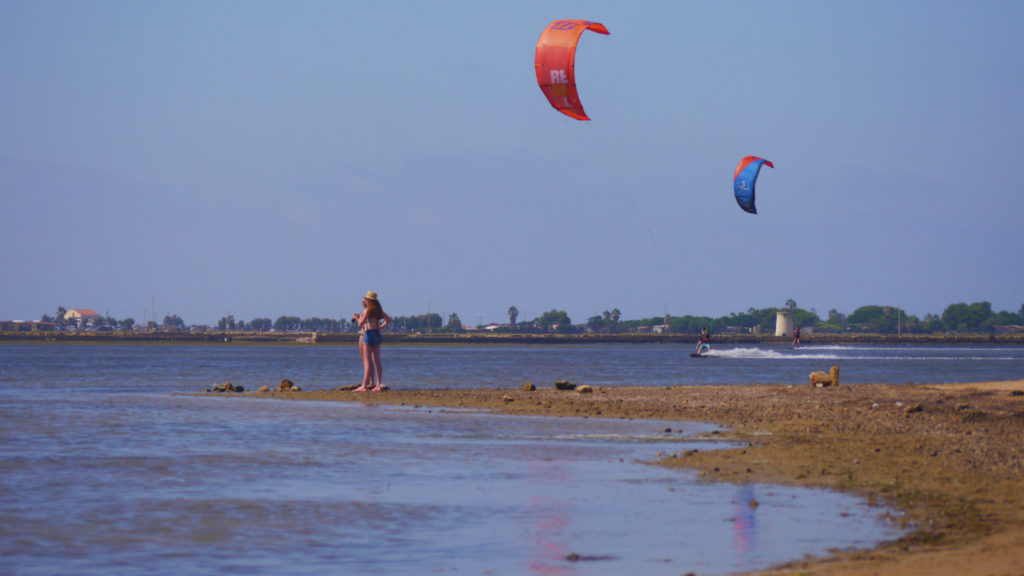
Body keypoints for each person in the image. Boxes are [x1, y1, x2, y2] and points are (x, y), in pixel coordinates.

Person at [353, 291, 393, 392]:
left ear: (368, 300)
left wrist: (358, 318)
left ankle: (364, 385)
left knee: (367, 362)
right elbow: (388, 320)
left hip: (369, 334)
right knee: (377, 361)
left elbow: (360, 324)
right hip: (377, 334)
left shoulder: (367, 311)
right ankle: (378, 385)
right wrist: (380, 327)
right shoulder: (378, 311)